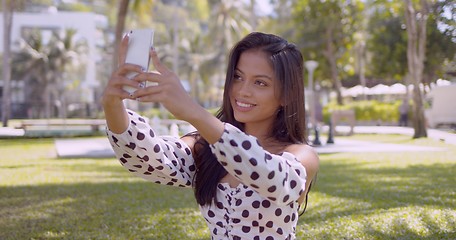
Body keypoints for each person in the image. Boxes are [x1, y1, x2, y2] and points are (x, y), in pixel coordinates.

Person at [102, 32, 319, 239]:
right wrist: (113, 104)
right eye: (237, 77)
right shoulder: (205, 144)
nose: (242, 90)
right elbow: (148, 159)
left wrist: (194, 112)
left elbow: (270, 178)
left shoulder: (301, 155)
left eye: (260, 82)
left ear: (286, 94)